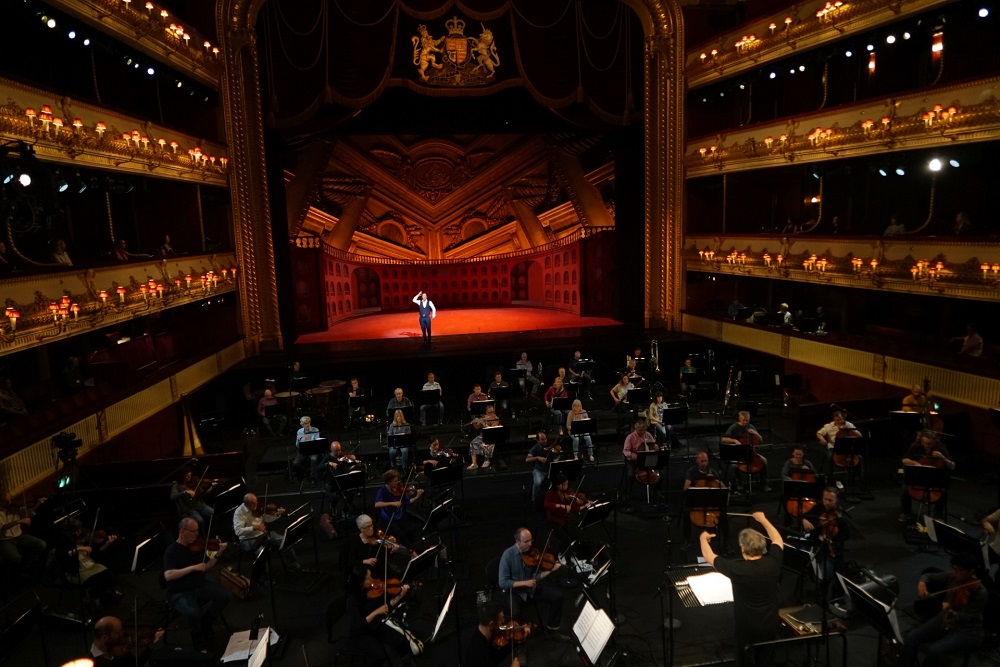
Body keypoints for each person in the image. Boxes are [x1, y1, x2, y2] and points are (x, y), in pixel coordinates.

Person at [700, 511, 784, 667]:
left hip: (747, 627)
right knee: (766, 660)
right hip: (770, 624)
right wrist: (764, 520)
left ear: (743, 549)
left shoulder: (738, 569)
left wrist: (702, 538)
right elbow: (778, 539)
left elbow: (709, 556)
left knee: (744, 661)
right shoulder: (774, 562)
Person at [900, 552, 987, 667]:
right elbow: (928, 576)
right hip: (945, 618)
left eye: (959, 569)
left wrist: (950, 611)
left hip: (967, 630)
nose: (955, 572)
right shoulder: (954, 577)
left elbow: (966, 617)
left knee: (934, 651)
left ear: (971, 571)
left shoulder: (980, 593)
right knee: (911, 638)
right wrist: (922, 583)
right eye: (954, 568)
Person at [162, 517, 232, 651]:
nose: (197, 535)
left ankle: (206, 623)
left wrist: (219, 553)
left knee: (226, 596)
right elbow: (168, 575)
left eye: (197, 531)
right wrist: (192, 568)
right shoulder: (171, 551)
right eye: (193, 531)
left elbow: (206, 566)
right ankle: (199, 640)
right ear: (183, 531)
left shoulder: (197, 547)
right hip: (179, 592)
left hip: (200, 586)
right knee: (194, 612)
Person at [343, 564, 416, 664]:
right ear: (361, 582)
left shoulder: (368, 591)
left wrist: (400, 595)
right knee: (379, 656)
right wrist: (376, 612)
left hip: (375, 625)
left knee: (401, 641)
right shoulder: (351, 600)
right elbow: (358, 626)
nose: (372, 579)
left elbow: (387, 606)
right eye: (368, 578)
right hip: (361, 633)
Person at [498, 527, 564, 631]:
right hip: (515, 592)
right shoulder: (508, 555)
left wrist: (550, 570)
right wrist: (525, 583)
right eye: (526, 541)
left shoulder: (531, 552)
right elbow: (503, 583)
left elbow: (534, 578)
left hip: (530, 589)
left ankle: (552, 627)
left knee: (558, 596)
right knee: (515, 613)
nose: (530, 544)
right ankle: (518, 636)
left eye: (531, 540)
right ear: (517, 541)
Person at [232, 493, 300, 569]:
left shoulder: (259, 508)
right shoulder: (239, 512)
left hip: (262, 534)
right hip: (248, 539)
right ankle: (264, 578)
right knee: (261, 553)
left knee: (284, 540)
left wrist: (277, 514)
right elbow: (238, 531)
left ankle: (294, 565)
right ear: (246, 504)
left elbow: (268, 519)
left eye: (256, 502)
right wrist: (254, 527)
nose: (256, 504)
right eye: (253, 503)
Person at [800, 487, 849, 591]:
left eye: (830, 500)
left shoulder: (840, 518)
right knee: (801, 554)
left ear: (836, 500)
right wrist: (804, 520)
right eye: (825, 499)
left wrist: (831, 541)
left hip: (832, 551)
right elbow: (804, 515)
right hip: (818, 544)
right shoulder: (819, 507)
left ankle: (825, 591)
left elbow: (843, 540)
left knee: (827, 574)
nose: (827, 502)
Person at [899, 430, 954, 522]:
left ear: (934, 442)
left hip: (935, 479)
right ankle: (906, 513)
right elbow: (904, 460)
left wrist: (942, 457)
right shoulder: (916, 447)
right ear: (921, 440)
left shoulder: (940, 448)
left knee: (943, 491)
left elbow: (952, 465)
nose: (927, 446)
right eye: (925, 443)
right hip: (919, 477)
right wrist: (914, 462)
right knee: (905, 489)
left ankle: (937, 515)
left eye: (930, 444)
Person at [464, 600, 526, 666]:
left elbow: (496, 657)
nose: (503, 623)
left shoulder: (483, 634)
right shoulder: (480, 655)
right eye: (501, 620)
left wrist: (515, 639)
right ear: (491, 624)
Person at [0, 487, 46, 576]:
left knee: (41, 544)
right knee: (16, 558)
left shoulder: (16, 507)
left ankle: (24, 568)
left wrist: (38, 504)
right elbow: (2, 527)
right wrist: (19, 521)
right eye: (6, 501)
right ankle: (16, 574)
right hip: (5, 540)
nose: (9, 502)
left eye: (10, 499)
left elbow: (28, 513)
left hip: (19, 536)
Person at [373, 469, 425, 545]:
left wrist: (417, 496)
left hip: (401, 516)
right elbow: (377, 504)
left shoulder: (400, 489)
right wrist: (392, 503)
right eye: (395, 481)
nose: (398, 483)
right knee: (402, 535)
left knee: (411, 532)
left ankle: (412, 548)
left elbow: (408, 502)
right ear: (389, 482)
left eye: (398, 480)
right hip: (389, 518)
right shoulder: (382, 490)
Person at [722, 411, 771, 492]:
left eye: (747, 420)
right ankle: (739, 483)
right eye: (743, 420)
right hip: (738, 453)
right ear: (739, 419)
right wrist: (734, 440)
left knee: (764, 461)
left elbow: (760, 440)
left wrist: (755, 432)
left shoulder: (750, 426)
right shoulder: (734, 427)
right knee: (734, 465)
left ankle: (764, 483)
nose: (745, 422)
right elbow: (724, 439)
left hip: (752, 453)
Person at [91, 615, 163, 666]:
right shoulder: (92, 662)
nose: (122, 634)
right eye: (118, 633)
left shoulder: (120, 649)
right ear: (105, 637)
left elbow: (135, 664)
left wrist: (151, 644)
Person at [815, 410, 861, 476]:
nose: (839, 422)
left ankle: (856, 475)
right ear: (834, 419)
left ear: (843, 418)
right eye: (837, 420)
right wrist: (822, 439)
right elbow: (819, 433)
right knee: (830, 456)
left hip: (847, 446)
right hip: (834, 446)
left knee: (859, 457)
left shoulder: (848, 424)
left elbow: (859, 434)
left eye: (840, 419)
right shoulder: (829, 426)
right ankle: (830, 474)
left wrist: (850, 429)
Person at [526, 429, 555, 503]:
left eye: (545, 439)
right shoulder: (535, 448)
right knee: (537, 483)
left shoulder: (551, 446)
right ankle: (534, 499)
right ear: (538, 440)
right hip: (539, 470)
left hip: (550, 470)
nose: (545, 441)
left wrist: (557, 451)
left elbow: (557, 452)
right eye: (542, 440)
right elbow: (527, 459)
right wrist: (537, 457)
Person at [292, 415, 322, 483]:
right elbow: (297, 445)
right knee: (295, 463)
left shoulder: (315, 430)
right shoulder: (299, 431)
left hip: (313, 450)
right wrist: (298, 441)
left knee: (314, 459)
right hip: (303, 450)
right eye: (305, 423)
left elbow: (317, 443)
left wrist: (309, 439)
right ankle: (307, 473)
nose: (307, 425)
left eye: (308, 423)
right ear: (302, 425)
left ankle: (313, 477)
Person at [469, 404, 500, 469]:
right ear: (486, 412)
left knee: (485, 444)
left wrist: (484, 423)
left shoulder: (496, 419)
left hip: (492, 435)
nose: (491, 413)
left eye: (492, 412)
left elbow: (492, 429)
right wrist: (474, 422)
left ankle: (487, 460)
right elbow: (477, 427)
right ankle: (474, 463)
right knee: (472, 443)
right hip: (484, 435)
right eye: (489, 412)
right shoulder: (484, 417)